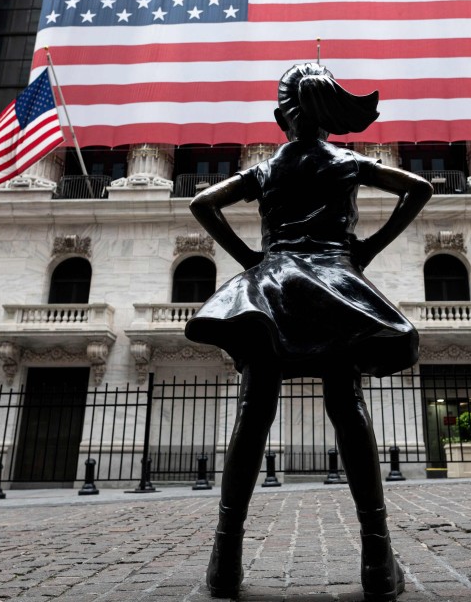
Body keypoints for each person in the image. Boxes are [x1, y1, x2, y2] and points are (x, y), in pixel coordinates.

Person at [184, 62, 433, 601]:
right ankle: (376, 556)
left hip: (271, 286)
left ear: (283, 118)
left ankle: (225, 558)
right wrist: (367, 248)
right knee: (346, 406)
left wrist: (251, 257)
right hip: (333, 285)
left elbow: (203, 203)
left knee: (254, 414)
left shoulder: (265, 171)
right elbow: (419, 188)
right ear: (327, 120)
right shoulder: (348, 161)